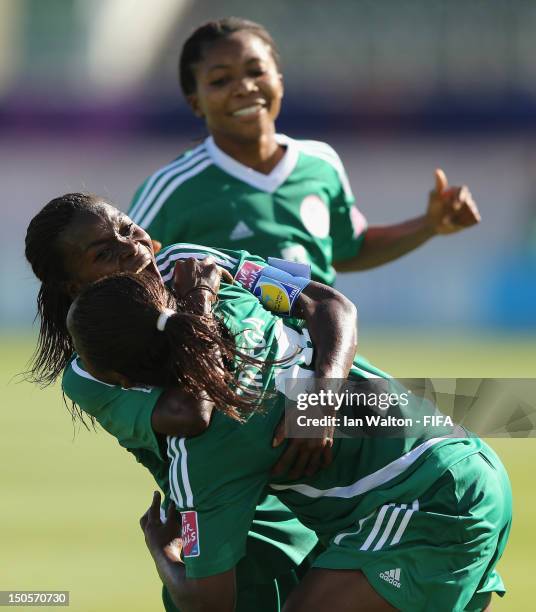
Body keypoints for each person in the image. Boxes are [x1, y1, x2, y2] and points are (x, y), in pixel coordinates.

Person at [68, 270, 512, 612]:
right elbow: (331, 306)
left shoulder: (204, 450)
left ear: (122, 381)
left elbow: (209, 601)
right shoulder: (233, 302)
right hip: (460, 461)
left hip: (427, 502)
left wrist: (163, 552)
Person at [25, 193, 362, 611]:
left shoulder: (192, 261)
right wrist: (199, 303)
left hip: (320, 493)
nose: (134, 248)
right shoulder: (88, 373)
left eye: (129, 229)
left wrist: (319, 404)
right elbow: (191, 412)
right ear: (72, 285)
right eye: (105, 253)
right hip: (229, 525)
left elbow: (327, 303)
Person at [128, 17, 481, 286]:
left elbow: (346, 249)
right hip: (231, 369)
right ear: (196, 103)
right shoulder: (172, 187)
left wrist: (429, 225)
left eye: (257, 71)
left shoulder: (321, 164)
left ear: (279, 81)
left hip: (325, 352)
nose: (245, 87)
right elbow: (123, 276)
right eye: (221, 80)